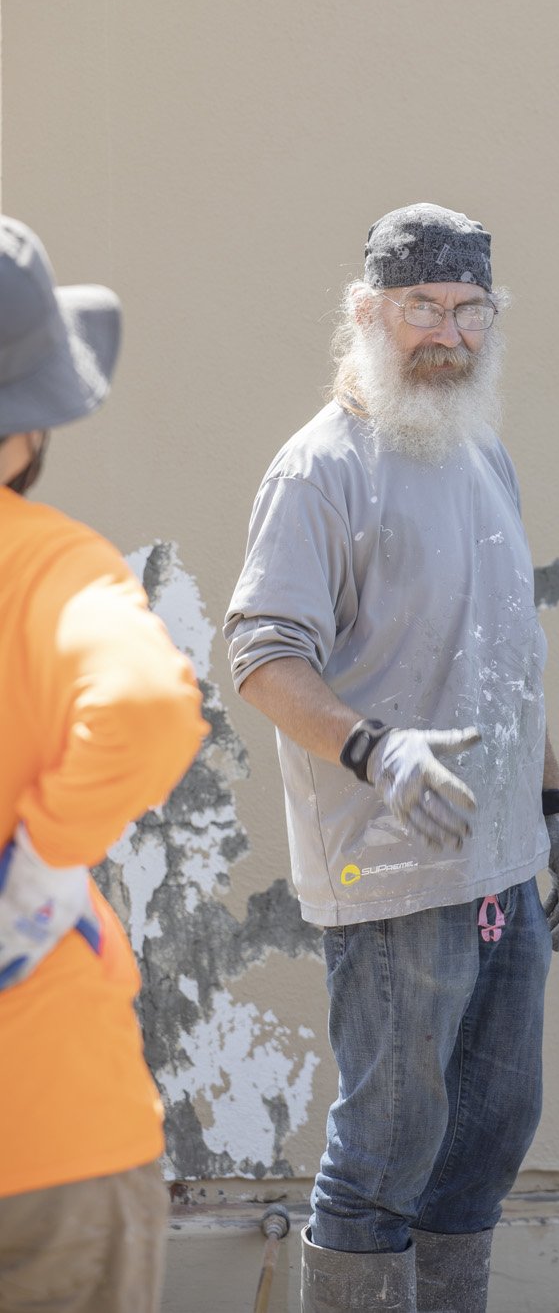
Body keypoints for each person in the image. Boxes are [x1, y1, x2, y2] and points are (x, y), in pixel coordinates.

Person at [225, 203, 559, 1313]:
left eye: (468, 309)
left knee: (485, 1142)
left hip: (498, 866)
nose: (448, 333)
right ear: (367, 314)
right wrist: (376, 753)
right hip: (388, 871)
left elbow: (504, 663)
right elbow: (258, 654)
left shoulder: (483, 455)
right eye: (421, 308)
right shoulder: (320, 470)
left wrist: (557, 810)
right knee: (386, 1155)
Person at [0, 217, 207, 1313]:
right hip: (44, 1139)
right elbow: (142, 705)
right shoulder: (46, 566)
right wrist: (42, 860)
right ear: (30, 429)